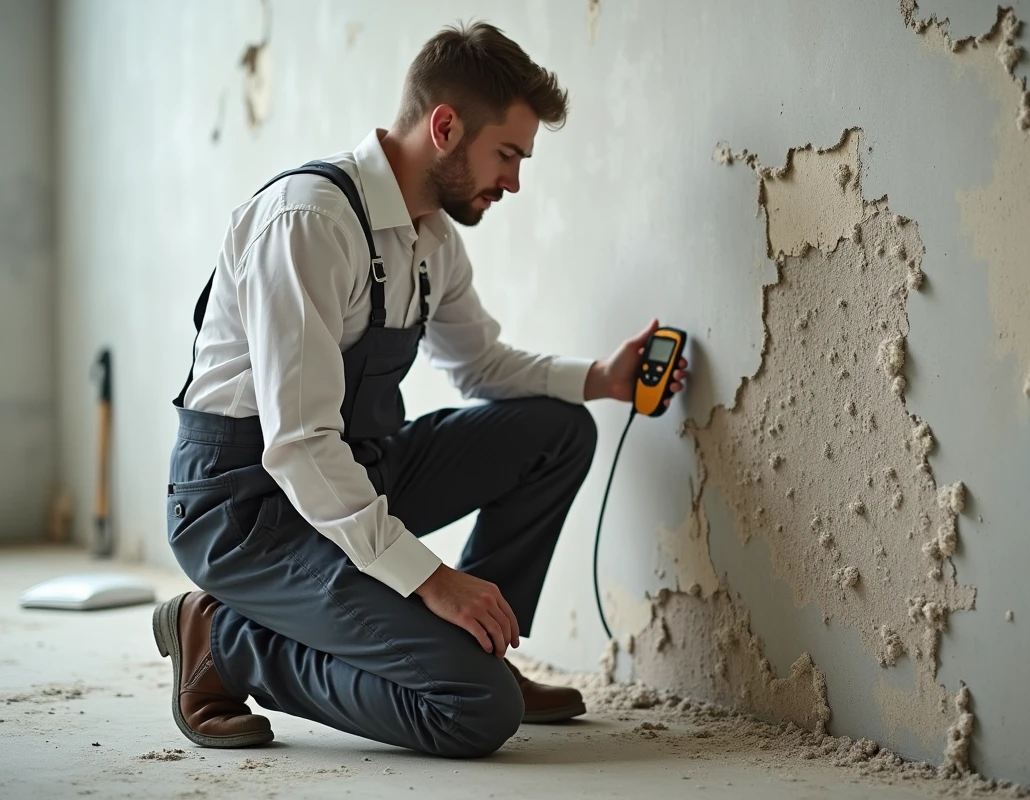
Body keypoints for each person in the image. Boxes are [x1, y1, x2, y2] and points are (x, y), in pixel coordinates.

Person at [151, 20, 688, 759]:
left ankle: (483, 643)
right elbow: (301, 445)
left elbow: (483, 367)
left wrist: (601, 380)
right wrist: (431, 577)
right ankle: (225, 639)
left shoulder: (433, 239)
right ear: (444, 127)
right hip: (246, 508)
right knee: (474, 710)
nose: (515, 180)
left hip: (354, 470)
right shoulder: (309, 222)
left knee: (559, 431)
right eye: (507, 154)